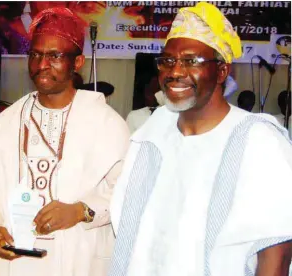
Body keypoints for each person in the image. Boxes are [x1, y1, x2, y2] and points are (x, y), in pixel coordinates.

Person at [110, 3, 292, 276]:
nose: (175, 72)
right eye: (167, 61)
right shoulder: (151, 136)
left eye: (191, 61)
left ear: (221, 72)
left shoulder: (258, 140)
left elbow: (275, 253)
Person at [0, 7, 129, 276]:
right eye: (36, 55)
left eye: (55, 56)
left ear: (77, 63)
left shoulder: (107, 125)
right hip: (14, 260)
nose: (42, 65)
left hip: (79, 255)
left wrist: (81, 211)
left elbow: (127, 191)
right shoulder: (2, 124)